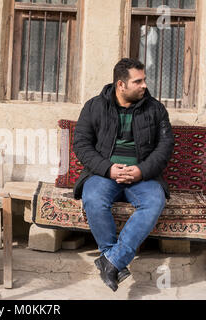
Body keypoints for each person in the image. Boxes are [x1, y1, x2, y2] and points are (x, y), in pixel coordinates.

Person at [72, 58, 175, 292]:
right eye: (138, 81)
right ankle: (112, 258)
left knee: (154, 201)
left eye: (144, 80)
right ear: (121, 85)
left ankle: (112, 261)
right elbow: (81, 144)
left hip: (143, 175)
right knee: (93, 199)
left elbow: (165, 147)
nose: (144, 86)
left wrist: (141, 170)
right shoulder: (94, 106)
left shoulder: (155, 109)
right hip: (104, 172)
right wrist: (108, 168)